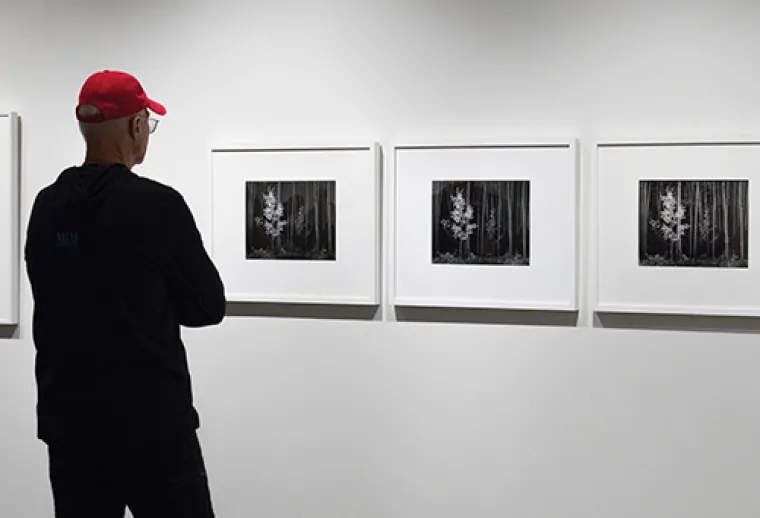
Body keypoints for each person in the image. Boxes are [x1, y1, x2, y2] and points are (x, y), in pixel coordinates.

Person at [24, 70, 226, 518]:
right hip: (152, 424)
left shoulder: (47, 206)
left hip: (70, 424)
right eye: (148, 124)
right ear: (136, 125)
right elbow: (209, 305)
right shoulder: (157, 206)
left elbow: (50, 292)